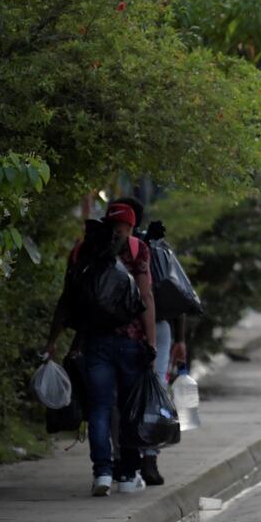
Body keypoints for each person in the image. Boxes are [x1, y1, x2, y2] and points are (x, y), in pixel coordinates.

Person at [45, 199, 157, 497]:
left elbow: (67, 298)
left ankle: (102, 474)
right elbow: (145, 297)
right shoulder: (136, 249)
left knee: (99, 407)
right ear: (131, 226)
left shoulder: (83, 249)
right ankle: (128, 474)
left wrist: (52, 340)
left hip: (94, 342)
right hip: (131, 342)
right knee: (128, 408)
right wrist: (152, 341)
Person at [113, 198, 188, 486]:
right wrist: (180, 339)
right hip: (157, 329)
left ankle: (129, 459)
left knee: (123, 398)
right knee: (153, 391)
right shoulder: (153, 247)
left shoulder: (139, 248)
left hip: (127, 331)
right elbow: (177, 293)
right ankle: (147, 459)